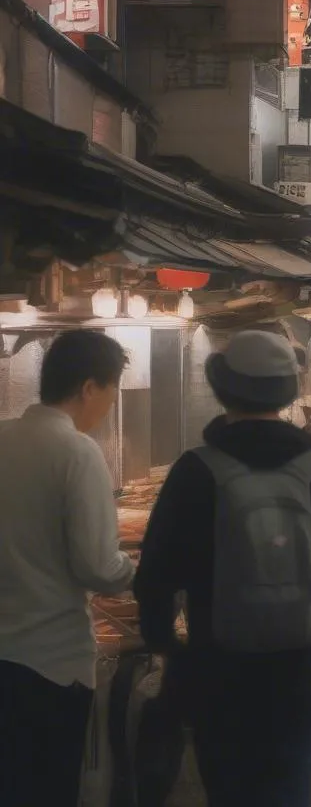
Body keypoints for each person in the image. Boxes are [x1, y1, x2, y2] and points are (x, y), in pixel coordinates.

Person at [134, 331, 311, 807]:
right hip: (300, 666)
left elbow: (155, 574)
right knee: (286, 789)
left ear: (221, 389)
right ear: (287, 390)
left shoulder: (195, 470)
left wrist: (169, 648)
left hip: (217, 666)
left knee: (228, 791)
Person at [0, 330, 135, 807]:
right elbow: (98, 566)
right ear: (89, 388)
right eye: (115, 389)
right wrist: (138, 570)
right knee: (48, 788)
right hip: (50, 666)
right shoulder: (78, 453)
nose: (112, 403)